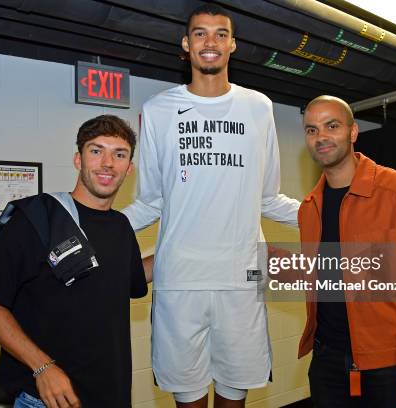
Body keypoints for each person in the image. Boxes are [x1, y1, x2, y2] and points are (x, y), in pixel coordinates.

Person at [121, 4, 301, 408]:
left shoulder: (258, 107)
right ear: (186, 45)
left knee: (234, 396)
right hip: (179, 281)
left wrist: (336, 213)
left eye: (221, 34)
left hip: (242, 279)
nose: (211, 42)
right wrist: (88, 225)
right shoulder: (158, 111)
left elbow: (267, 197)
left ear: (232, 45)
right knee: (188, 398)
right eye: (200, 33)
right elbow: (150, 201)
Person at [0, 115, 150, 408]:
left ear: (129, 168)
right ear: (78, 160)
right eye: (96, 150)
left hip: (110, 395)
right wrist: (42, 367)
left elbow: (127, 277)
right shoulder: (37, 218)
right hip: (45, 399)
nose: (107, 163)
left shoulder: (120, 226)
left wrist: (180, 250)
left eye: (119, 154)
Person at [297, 95, 396, 407]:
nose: (321, 137)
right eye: (311, 130)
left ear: (353, 132)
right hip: (326, 366)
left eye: (332, 126)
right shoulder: (309, 209)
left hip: (389, 369)